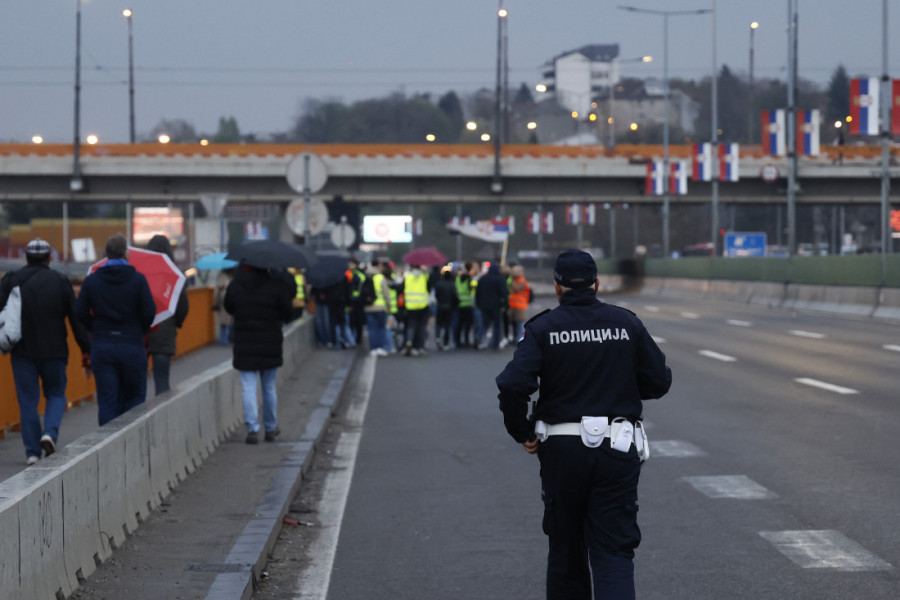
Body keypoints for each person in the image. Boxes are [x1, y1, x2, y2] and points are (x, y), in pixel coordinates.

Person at [495, 249, 672, 600]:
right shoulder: (626, 324)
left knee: (566, 551)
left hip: (561, 450)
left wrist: (523, 431)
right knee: (613, 551)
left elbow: (513, 384)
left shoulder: (543, 327)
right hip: (616, 447)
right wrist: (619, 387)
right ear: (596, 283)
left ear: (558, 287)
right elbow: (659, 381)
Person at [0, 238, 91, 466]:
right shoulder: (60, 281)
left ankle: (32, 453)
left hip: (22, 352)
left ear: (26, 257)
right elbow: (75, 319)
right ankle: (49, 432)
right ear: (50, 258)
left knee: (28, 401)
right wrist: (86, 349)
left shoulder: (11, 280)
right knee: (56, 394)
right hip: (55, 351)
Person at [75, 233, 156, 426]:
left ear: (105, 255)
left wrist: (95, 327)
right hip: (132, 344)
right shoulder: (138, 280)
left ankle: (107, 447)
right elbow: (149, 312)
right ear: (126, 254)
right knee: (134, 399)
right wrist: (139, 329)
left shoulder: (92, 280)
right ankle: (131, 445)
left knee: (107, 401)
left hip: (103, 345)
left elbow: (79, 312)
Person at [224, 262, 293, 444]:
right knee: (269, 387)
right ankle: (270, 428)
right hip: (270, 344)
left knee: (248, 387)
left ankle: (252, 429)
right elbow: (288, 313)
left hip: (244, 344)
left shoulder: (235, 285)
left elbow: (229, 307)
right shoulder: (276, 284)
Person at [145, 235, 189, 396]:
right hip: (165, 333)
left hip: (141, 333)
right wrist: (176, 323)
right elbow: (183, 305)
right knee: (162, 380)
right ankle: (162, 416)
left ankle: (138, 416)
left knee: (137, 383)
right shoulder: (174, 274)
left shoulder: (141, 271)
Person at [474, 263, 507, 350]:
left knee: (485, 324)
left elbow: (478, 293)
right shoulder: (500, 279)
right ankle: (495, 344)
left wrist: (478, 304)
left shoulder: (483, 279)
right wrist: (505, 305)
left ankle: (479, 336)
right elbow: (504, 294)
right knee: (497, 325)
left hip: (484, 306)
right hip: (496, 306)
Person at [364, 259, 391, 356]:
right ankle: (380, 347)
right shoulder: (380, 277)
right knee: (381, 328)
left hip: (368, 307)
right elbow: (386, 294)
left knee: (372, 329)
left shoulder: (365, 276)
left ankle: (373, 348)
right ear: (378, 266)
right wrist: (389, 306)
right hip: (380, 307)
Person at [402, 263, 431, 356]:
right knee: (421, 327)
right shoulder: (424, 276)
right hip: (423, 305)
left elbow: (402, 288)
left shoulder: (408, 276)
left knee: (411, 325)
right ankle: (420, 347)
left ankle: (409, 341)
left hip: (410, 305)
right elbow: (429, 288)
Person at [432, 266, 458, 350]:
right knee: (447, 325)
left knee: (438, 324)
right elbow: (455, 296)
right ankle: (446, 343)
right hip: (449, 307)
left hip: (440, 306)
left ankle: (438, 337)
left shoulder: (438, 284)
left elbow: (436, 295)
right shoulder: (452, 285)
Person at [507, 264, 531, 342]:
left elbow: (516, 288)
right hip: (514, 305)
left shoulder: (521, 280)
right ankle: (516, 338)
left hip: (520, 305)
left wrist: (512, 280)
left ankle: (519, 340)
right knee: (515, 323)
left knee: (520, 324)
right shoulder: (516, 279)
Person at [213, 268, 235, 345]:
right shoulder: (227, 278)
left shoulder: (222, 277)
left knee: (224, 323)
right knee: (226, 322)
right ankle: (225, 339)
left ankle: (224, 339)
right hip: (225, 302)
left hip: (223, 302)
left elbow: (219, 288)